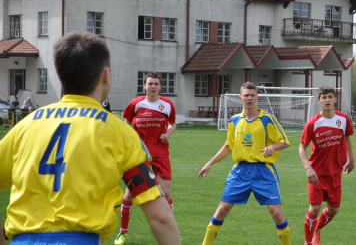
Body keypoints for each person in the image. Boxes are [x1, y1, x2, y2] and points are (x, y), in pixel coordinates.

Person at [0, 32, 181, 244]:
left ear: (60, 75)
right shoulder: (119, 132)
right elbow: (160, 217)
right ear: (106, 75)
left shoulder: (25, 126)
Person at [197, 81, 292, 245]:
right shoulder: (234, 120)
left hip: (264, 171)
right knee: (222, 210)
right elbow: (228, 146)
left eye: (252, 95)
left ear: (257, 98)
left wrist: (272, 147)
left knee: (276, 213)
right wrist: (210, 163)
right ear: (240, 98)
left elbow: (284, 142)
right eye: (246, 95)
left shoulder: (267, 119)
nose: (249, 98)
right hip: (240, 171)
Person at [114, 72, 177, 245]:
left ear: (160, 86)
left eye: (156, 84)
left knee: (165, 192)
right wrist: (131, 138)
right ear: (144, 86)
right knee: (129, 194)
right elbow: (125, 122)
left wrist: (168, 133)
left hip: (161, 153)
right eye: (150, 84)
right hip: (139, 154)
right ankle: (122, 232)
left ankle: (169, 232)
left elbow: (173, 123)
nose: (153, 86)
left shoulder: (167, 105)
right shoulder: (135, 104)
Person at [299, 85, 355, 245]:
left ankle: (316, 228)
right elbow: (302, 146)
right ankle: (308, 242)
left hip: (335, 173)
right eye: (324, 97)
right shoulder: (313, 123)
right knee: (314, 208)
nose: (327, 100)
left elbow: (347, 138)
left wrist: (351, 159)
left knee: (334, 209)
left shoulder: (343, 119)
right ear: (319, 101)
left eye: (330, 96)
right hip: (316, 174)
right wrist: (307, 168)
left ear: (335, 99)